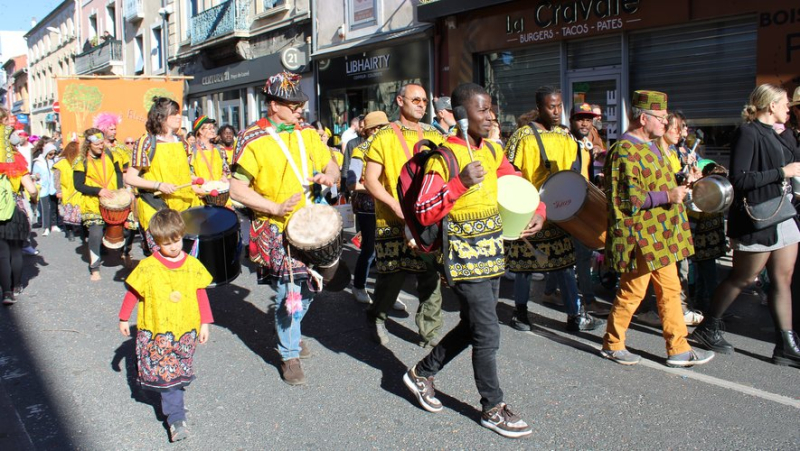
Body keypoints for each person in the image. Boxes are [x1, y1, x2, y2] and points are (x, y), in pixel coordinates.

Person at [404, 83, 542, 438]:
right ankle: (492, 407)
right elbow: (422, 211)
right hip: (464, 260)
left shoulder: (493, 151)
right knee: (487, 332)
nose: (491, 115)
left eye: (491, 108)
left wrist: (537, 208)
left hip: (492, 255)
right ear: (462, 115)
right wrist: (459, 184)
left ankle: (420, 373)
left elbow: (515, 181)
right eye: (483, 110)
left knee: (472, 326)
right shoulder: (444, 158)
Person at [230, 71, 339, 385]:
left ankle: (292, 328)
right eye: (293, 105)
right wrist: (275, 208)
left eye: (300, 104)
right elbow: (237, 189)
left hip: (311, 220)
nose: (299, 110)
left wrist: (329, 175)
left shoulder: (305, 131)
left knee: (313, 286)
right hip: (276, 226)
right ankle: (289, 353)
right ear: (273, 105)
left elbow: (330, 161)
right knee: (288, 291)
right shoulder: (251, 139)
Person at [600, 90, 714, 368]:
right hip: (641, 235)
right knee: (633, 291)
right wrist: (669, 196)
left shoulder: (652, 146)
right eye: (662, 118)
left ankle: (679, 348)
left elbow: (657, 182)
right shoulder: (624, 150)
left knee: (671, 290)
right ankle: (613, 343)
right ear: (643, 118)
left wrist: (683, 181)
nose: (666, 123)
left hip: (662, 234)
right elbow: (626, 199)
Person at [692, 84, 800, 368]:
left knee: (782, 279)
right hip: (757, 217)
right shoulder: (748, 132)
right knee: (743, 277)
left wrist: (786, 138)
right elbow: (739, 180)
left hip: (783, 213)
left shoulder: (782, 133)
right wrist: (781, 172)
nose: (789, 108)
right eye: (785, 103)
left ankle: (786, 345)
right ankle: (709, 327)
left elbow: (794, 159)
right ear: (770, 105)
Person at [504, 86, 603, 332]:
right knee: (524, 267)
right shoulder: (522, 137)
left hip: (559, 212)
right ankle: (520, 312)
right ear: (539, 108)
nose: (557, 111)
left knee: (564, 265)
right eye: (551, 106)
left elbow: (574, 171)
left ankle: (574, 315)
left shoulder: (566, 136)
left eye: (559, 106)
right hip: (529, 210)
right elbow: (510, 174)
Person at [118, 208, 213, 443]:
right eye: (166, 242)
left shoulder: (191, 264)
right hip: (157, 330)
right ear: (155, 241)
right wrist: (123, 317)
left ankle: (174, 403)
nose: (173, 246)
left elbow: (200, 293)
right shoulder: (148, 267)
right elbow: (133, 292)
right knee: (168, 376)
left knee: (178, 372)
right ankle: (176, 419)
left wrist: (205, 323)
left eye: (177, 240)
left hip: (185, 329)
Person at [361, 82, 444, 347]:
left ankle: (429, 332)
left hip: (427, 219)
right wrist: (396, 207)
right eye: (415, 100)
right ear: (400, 101)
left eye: (424, 101)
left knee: (431, 278)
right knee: (391, 277)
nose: (421, 105)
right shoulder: (383, 136)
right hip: (392, 220)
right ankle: (377, 317)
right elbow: (371, 181)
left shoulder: (435, 135)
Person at [124, 97, 202, 252]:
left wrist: (195, 181)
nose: (179, 117)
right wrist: (159, 185)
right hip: (157, 208)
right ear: (160, 117)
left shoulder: (182, 142)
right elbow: (130, 177)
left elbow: (182, 174)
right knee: (164, 260)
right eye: (174, 114)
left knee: (184, 259)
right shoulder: (146, 142)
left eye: (179, 113)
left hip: (184, 207)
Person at [568, 103, 609, 316]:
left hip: (583, 203)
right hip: (569, 206)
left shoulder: (586, 143)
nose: (585, 123)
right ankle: (589, 300)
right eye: (580, 118)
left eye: (588, 119)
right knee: (582, 254)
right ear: (571, 119)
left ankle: (549, 292)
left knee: (571, 256)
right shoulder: (566, 142)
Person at [73, 129, 128, 281]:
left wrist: (119, 191)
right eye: (96, 144)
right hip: (93, 203)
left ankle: (124, 254)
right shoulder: (81, 161)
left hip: (112, 199)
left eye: (101, 143)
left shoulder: (110, 154)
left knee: (127, 228)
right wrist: (98, 191)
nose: (100, 146)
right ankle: (95, 267)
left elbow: (117, 172)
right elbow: (78, 185)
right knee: (96, 234)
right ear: (89, 144)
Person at [346, 111, 389, 304]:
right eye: (378, 128)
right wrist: (375, 188)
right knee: (370, 249)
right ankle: (359, 286)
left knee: (388, 250)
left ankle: (388, 293)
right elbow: (351, 184)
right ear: (369, 130)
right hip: (367, 207)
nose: (382, 132)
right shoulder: (359, 151)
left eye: (384, 127)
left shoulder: (390, 148)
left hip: (388, 205)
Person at [0, 116, 38, 304]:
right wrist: (34, 197)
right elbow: (31, 189)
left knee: (2, 253)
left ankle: (6, 292)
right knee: (15, 250)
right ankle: (16, 285)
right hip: (15, 209)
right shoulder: (15, 159)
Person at [94, 112, 137, 264]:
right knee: (99, 224)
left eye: (115, 128)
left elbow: (126, 170)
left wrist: (128, 190)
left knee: (130, 223)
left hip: (119, 189)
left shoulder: (120, 148)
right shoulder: (95, 147)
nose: (114, 131)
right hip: (100, 190)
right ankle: (100, 248)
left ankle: (126, 251)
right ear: (103, 129)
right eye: (111, 129)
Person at [189, 115, 230, 190]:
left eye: (213, 128)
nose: (213, 130)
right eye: (210, 128)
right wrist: (199, 181)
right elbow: (187, 173)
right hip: (200, 192)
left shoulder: (219, 149)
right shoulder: (192, 150)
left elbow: (225, 168)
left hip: (218, 192)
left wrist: (224, 177)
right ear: (200, 131)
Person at [53, 141, 82, 242]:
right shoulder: (61, 163)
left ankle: (79, 229)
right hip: (67, 191)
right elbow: (56, 178)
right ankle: (70, 231)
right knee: (68, 212)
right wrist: (58, 190)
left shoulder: (80, 161)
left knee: (79, 211)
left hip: (78, 191)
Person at [32, 142, 59, 236]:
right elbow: (34, 175)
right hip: (43, 188)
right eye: (50, 154)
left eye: (54, 153)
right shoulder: (38, 162)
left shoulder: (55, 161)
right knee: (45, 209)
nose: (52, 156)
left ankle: (54, 224)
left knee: (54, 207)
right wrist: (36, 176)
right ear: (46, 153)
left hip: (54, 188)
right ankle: (46, 227)